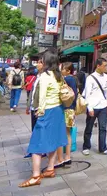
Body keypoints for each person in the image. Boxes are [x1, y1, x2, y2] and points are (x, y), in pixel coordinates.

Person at [19, 51, 67, 188]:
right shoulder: (59, 76)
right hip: (58, 111)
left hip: (47, 111)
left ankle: (35, 176)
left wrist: (40, 110)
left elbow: (42, 96)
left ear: (46, 62)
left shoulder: (45, 76)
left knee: (36, 144)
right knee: (53, 141)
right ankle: (50, 168)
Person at [82, 58, 107, 156]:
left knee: (103, 127)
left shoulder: (106, 77)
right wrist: (89, 108)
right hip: (93, 106)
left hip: (103, 105)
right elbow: (87, 94)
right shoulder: (90, 78)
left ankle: (103, 148)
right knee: (89, 127)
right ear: (98, 66)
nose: (105, 68)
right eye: (104, 66)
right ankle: (86, 146)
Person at [56, 62, 78, 167]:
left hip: (64, 109)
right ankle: (67, 156)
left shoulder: (66, 80)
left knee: (60, 132)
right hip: (71, 110)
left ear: (68, 71)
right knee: (68, 133)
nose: (61, 71)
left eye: (63, 69)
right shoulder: (73, 79)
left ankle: (60, 158)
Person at [24, 59, 45, 159]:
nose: (38, 64)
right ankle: (34, 149)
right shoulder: (37, 77)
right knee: (34, 130)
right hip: (34, 106)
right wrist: (28, 106)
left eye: (40, 62)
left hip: (39, 108)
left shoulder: (45, 77)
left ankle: (40, 150)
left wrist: (40, 107)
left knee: (39, 130)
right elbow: (32, 92)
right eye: (38, 62)